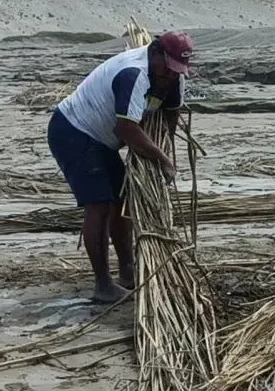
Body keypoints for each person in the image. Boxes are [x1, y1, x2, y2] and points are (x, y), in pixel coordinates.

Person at [47, 31, 193, 303]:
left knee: (121, 200)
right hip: (73, 131)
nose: (171, 75)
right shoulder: (133, 73)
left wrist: (163, 145)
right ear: (157, 53)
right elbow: (127, 128)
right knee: (99, 205)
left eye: (177, 71)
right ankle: (103, 285)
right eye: (168, 68)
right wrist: (161, 159)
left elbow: (169, 116)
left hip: (103, 140)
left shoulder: (174, 78)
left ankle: (127, 270)